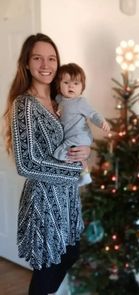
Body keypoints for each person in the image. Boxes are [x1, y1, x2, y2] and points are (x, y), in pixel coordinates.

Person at [3, 33, 90, 295]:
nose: (46, 64)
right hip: (44, 202)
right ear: (26, 63)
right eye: (37, 58)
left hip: (67, 198)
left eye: (51, 58)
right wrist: (76, 170)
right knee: (48, 267)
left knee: (71, 253)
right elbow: (27, 164)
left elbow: (78, 133)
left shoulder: (61, 100)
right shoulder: (24, 105)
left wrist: (85, 148)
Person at [53, 63, 110, 186]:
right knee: (78, 156)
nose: (71, 86)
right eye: (66, 83)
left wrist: (101, 122)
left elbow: (93, 114)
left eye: (76, 83)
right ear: (59, 85)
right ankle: (83, 174)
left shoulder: (80, 102)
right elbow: (58, 105)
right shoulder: (59, 99)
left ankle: (84, 175)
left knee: (59, 153)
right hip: (71, 136)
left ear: (82, 87)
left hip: (80, 135)